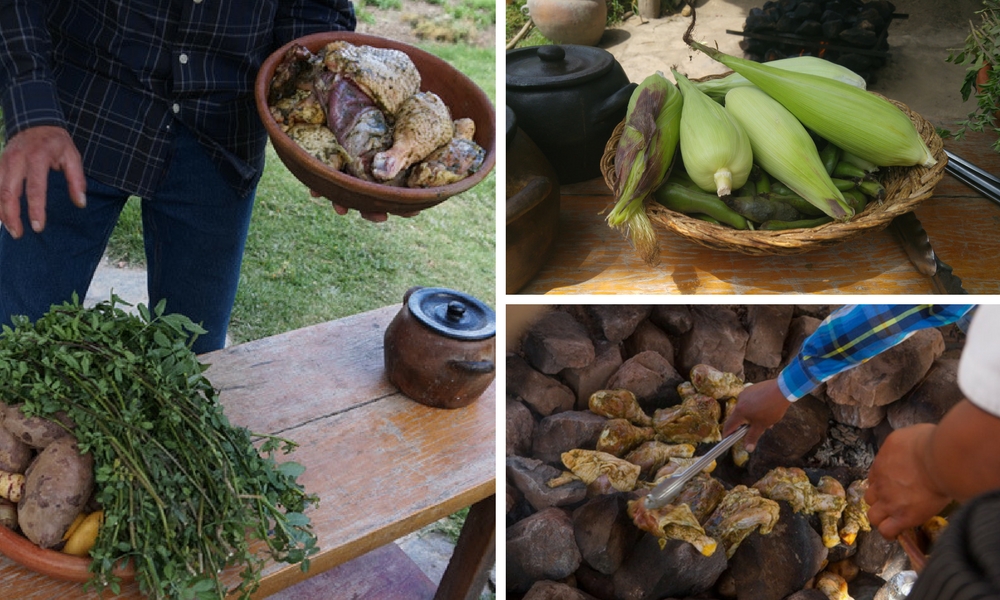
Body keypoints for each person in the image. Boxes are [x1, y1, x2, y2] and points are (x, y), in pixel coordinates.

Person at [0, 1, 402, 355]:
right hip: (80, 107)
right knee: (12, 337)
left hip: (221, 130)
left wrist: (331, 120)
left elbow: (314, 7)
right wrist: (31, 102)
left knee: (194, 366)